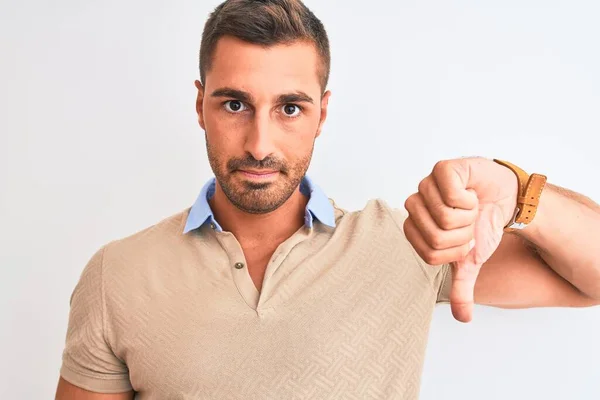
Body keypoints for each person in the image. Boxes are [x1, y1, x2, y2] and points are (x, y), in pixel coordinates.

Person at [55, 0, 600, 399]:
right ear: (200, 105)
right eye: (234, 105)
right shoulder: (117, 275)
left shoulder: (409, 244)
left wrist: (518, 189)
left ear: (322, 112)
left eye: (290, 107)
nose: (260, 144)